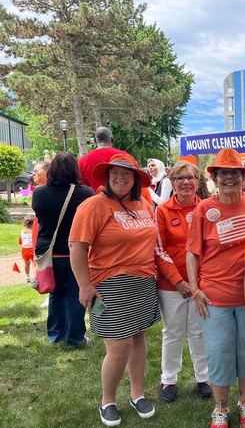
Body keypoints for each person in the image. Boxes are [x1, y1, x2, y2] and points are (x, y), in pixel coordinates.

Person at [70, 153, 160, 427]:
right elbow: (77, 247)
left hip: (143, 283)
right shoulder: (94, 206)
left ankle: (137, 394)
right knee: (118, 347)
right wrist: (85, 285)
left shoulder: (142, 203)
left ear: (135, 179)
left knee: (138, 340)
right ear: (107, 178)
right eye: (114, 173)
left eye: (127, 173)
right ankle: (107, 400)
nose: (120, 177)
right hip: (108, 286)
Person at [186, 148, 245, 428]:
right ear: (215, 178)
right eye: (224, 173)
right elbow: (192, 252)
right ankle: (220, 407)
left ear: (243, 177)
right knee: (219, 353)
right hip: (215, 298)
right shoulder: (204, 209)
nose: (229, 178)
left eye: (235, 173)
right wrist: (195, 289)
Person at [154, 161, 211, 403]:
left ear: (197, 182)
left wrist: (198, 283)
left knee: (199, 331)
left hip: (201, 284)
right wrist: (179, 281)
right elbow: (159, 251)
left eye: (190, 177)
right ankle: (169, 379)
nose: (186, 182)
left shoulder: (208, 209)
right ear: (172, 182)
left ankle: (204, 378)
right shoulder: (163, 211)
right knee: (173, 332)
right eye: (180, 178)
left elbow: (211, 249)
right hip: (171, 285)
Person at [32, 153, 95, 346]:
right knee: (75, 294)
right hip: (75, 251)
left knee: (55, 293)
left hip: (48, 252)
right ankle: (75, 337)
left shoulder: (39, 193)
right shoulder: (85, 193)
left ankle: (55, 335)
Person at [78, 127, 130, 191]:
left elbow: (81, 185)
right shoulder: (125, 156)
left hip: (94, 198)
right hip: (121, 199)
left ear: (95, 141)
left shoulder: (83, 160)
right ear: (112, 140)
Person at [19, 215, 35, 283]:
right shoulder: (34, 232)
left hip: (25, 249)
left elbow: (20, 241)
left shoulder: (22, 232)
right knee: (35, 263)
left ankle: (27, 276)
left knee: (26, 263)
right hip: (32, 249)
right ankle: (36, 276)